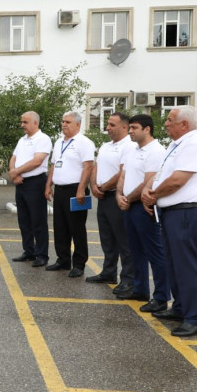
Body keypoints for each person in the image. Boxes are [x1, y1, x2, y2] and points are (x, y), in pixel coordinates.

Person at [142, 106, 197, 337]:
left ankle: (193, 318)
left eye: (170, 120)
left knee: (185, 266)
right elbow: (162, 175)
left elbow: (177, 180)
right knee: (173, 264)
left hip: (186, 213)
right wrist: (149, 189)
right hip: (173, 212)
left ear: (184, 124)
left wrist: (153, 195)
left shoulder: (194, 144)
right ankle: (180, 308)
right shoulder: (177, 145)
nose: (165, 124)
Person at [116, 114, 169, 312]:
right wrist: (119, 195)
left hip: (144, 206)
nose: (130, 131)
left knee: (154, 252)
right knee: (135, 250)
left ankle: (161, 297)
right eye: (129, 127)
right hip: (129, 205)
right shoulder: (133, 150)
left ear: (147, 129)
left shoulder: (155, 151)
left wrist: (128, 199)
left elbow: (149, 181)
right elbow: (123, 175)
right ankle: (140, 289)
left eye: (134, 128)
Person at [86, 113, 137, 295]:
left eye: (112, 125)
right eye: (107, 124)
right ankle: (108, 272)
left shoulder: (129, 146)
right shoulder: (105, 146)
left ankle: (128, 279)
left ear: (124, 127)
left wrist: (104, 186)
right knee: (107, 238)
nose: (107, 127)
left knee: (123, 240)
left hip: (117, 196)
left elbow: (123, 172)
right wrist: (93, 186)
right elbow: (96, 167)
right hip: (103, 197)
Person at [44, 111, 95, 278]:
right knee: (60, 227)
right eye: (63, 121)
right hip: (60, 190)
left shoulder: (84, 142)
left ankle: (79, 264)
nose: (64, 124)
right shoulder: (59, 142)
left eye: (68, 122)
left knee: (76, 228)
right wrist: (48, 185)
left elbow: (88, 167)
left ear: (78, 125)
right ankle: (63, 260)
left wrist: (81, 189)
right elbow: (53, 165)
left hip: (75, 190)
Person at [8, 111, 52, 267]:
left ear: (35, 123)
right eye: (22, 122)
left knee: (38, 220)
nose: (22, 125)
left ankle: (42, 254)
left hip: (36, 183)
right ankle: (29, 251)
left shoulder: (43, 139)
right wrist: (14, 173)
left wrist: (16, 172)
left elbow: (37, 161)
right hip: (21, 183)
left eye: (25, 122)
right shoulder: (22, 140)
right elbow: (13, 158)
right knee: (24, 220)